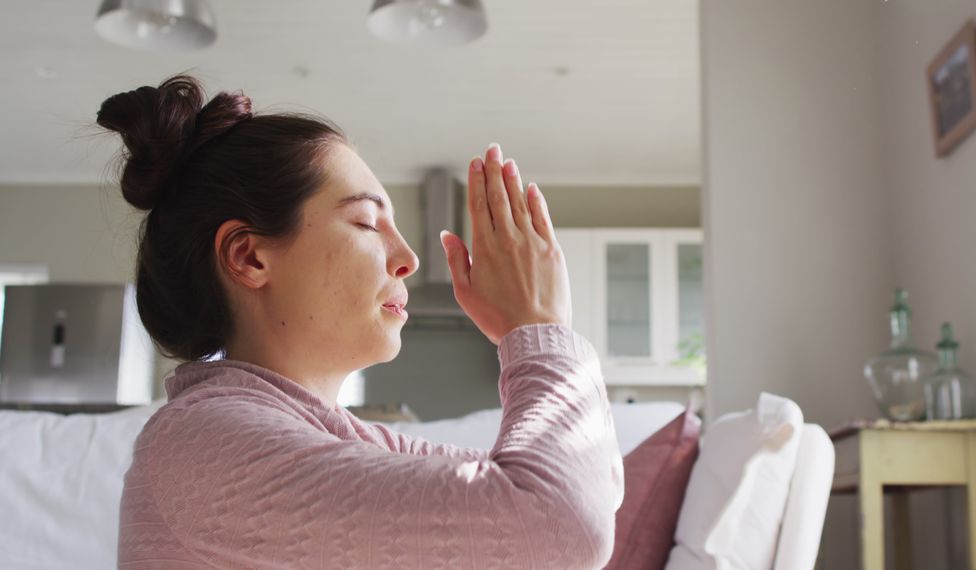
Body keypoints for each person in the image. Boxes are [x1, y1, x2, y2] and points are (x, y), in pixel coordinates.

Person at [101, 74, 624, 569]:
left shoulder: (345, 441)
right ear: (249, 257)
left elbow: (590, 482)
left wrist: (540, 330)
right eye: (367, 223)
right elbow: (560, 526)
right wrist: (535, 328)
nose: (408, 259)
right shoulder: (202, 444)